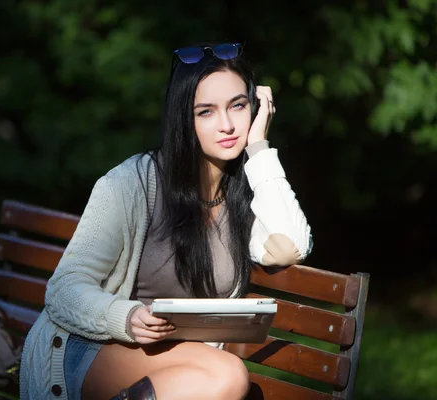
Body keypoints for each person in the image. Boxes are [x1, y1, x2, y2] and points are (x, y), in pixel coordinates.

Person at [19, 42, 313, 400]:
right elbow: (63, 289)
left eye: (238, 105)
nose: (226, 125)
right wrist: (125, 317)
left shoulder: (246, 193)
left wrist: (259, 147)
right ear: (183, 120)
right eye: (205, 112)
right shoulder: (131, 183)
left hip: (186, 369)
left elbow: (290, 247)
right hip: (93, 346)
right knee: (228, 376)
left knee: (223, 377)